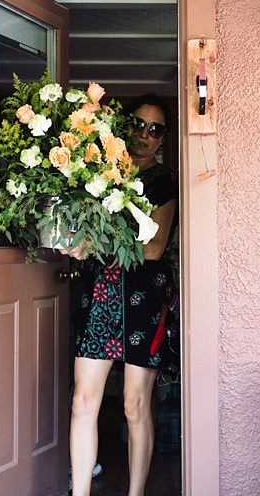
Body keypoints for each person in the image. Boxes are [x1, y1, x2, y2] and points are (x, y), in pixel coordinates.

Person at [64, 93, 179, 496]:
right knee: (83, 401)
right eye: (139, 124)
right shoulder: (98, 173)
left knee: (134, 403)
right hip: (98, 297)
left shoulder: (164, 181)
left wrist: (97, 244)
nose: (144, 134)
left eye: (155, 129)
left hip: (143, 299)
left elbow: (154, 248)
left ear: (163, 137)